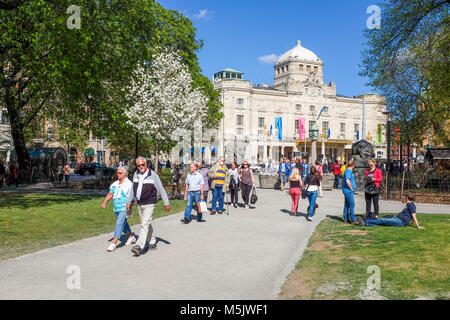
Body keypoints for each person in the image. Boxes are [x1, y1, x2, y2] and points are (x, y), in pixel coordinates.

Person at [126, 157, 171, 257]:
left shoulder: (153, 175)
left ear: (146, 164)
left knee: (144, 223)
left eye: (143, 165)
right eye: (139, 165)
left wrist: (166, 203)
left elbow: (161, 189)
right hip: (139, 203)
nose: (141, 167)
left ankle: (139, 246)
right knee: (146, 223)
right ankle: (152, 242)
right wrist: (129, 202)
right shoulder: (136, 174)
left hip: (150, 203)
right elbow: (133, 189)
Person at [101, 166, 136, 252]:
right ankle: (131, 237)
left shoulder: (129, 184)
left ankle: (113, 244)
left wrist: (132, 203)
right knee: (123, 224)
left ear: (125, 174)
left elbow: (133, 196)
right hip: (116, 208)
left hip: (125, 207)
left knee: (119, 224)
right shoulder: (115, 184)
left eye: (120, 173)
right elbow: (111, 194)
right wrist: (104, 202)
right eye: (117, 173)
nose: (118, 174)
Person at [358, 194, 424, 229]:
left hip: (401, 222)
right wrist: (413, 222)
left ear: (409, 199)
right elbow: (411, 215)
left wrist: (418, 226)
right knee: (384, 221)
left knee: (383, 220)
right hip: (398, 219)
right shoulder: (409, 204)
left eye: (406, 197)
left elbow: (413, 215)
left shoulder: (411, 205)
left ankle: (365, 221)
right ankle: (368, 224)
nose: (405, 198)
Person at [342, 160, 358, 225]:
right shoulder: (348, 171)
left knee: (347, 204)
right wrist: (351, 188)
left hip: (346, 190)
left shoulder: (346, 171)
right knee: (352, 204)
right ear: (353, 165)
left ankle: (346, 218)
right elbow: (347, 181)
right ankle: (353, 219)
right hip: (348, 191)